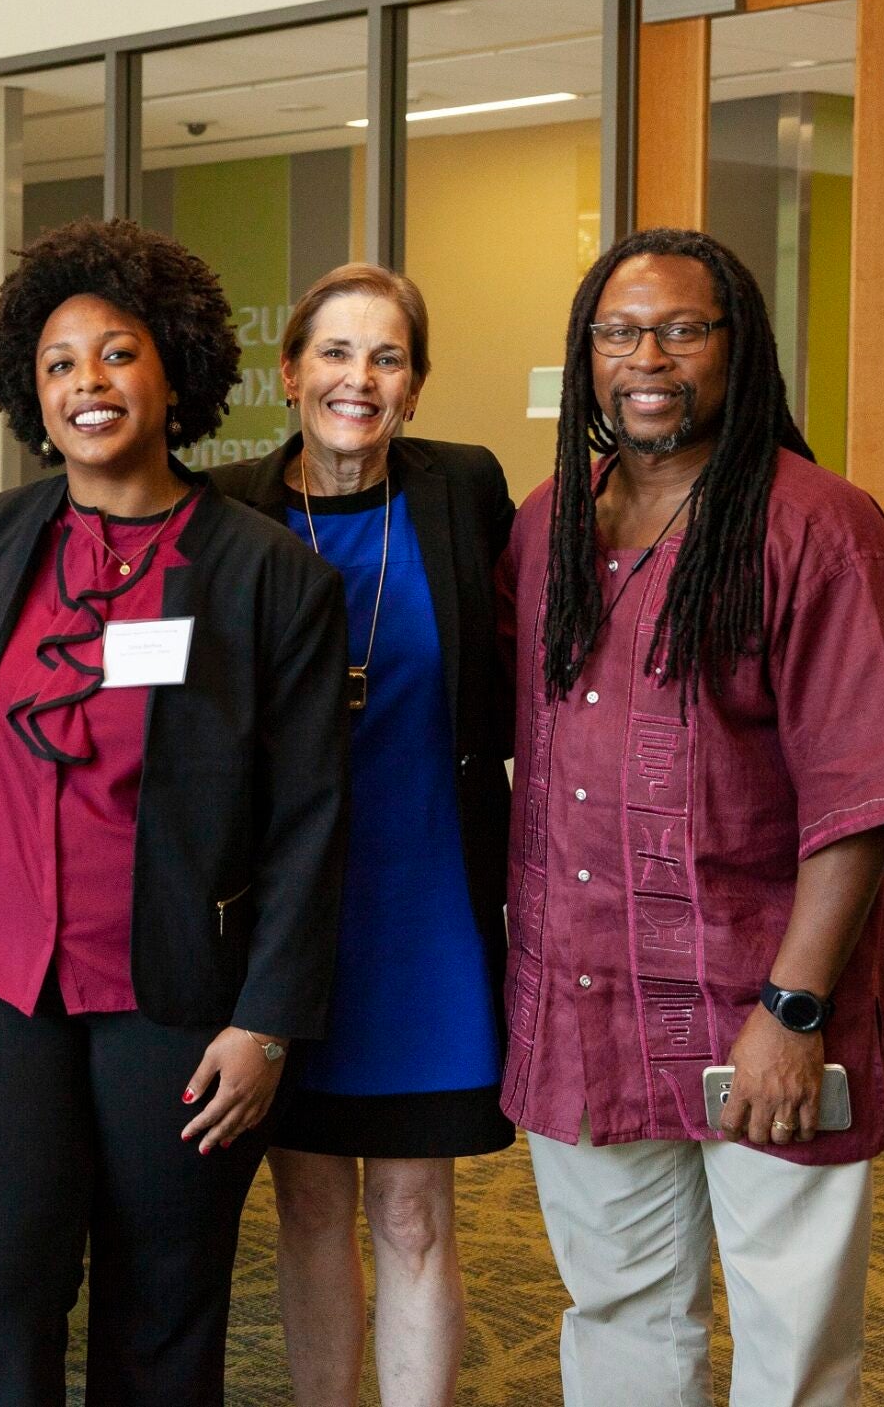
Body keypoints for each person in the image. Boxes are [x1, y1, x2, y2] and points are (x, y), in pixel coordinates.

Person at [0, 216, 352, 1406]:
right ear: (27, 390)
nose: (85, 384)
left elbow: (312, 820)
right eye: (57, 363)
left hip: (173, 996)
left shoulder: (268, 575)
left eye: (115, 353)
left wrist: (265, 1020)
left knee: (163, 1303)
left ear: (174, 373)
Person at [503, 228, 884, 1407]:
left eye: (684, 328)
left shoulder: (818, 526)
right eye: (618, 330)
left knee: (790, 1336)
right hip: (585, 1000)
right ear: (586, 353)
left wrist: (791, 1012)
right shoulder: (550, 522)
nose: (648, 355)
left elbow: (858, 800)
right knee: (621, 1312)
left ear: (737, 350)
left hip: (759, 994)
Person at [209, 265, 515, 1407]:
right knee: (309, 1202)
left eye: (386, 358)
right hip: (291, 919)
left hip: (423, 904)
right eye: (334, 353)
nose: (358, 379)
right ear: (288, 372)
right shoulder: (229, 506)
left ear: (416, 388)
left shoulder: (462, 491)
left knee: (413, 1206)